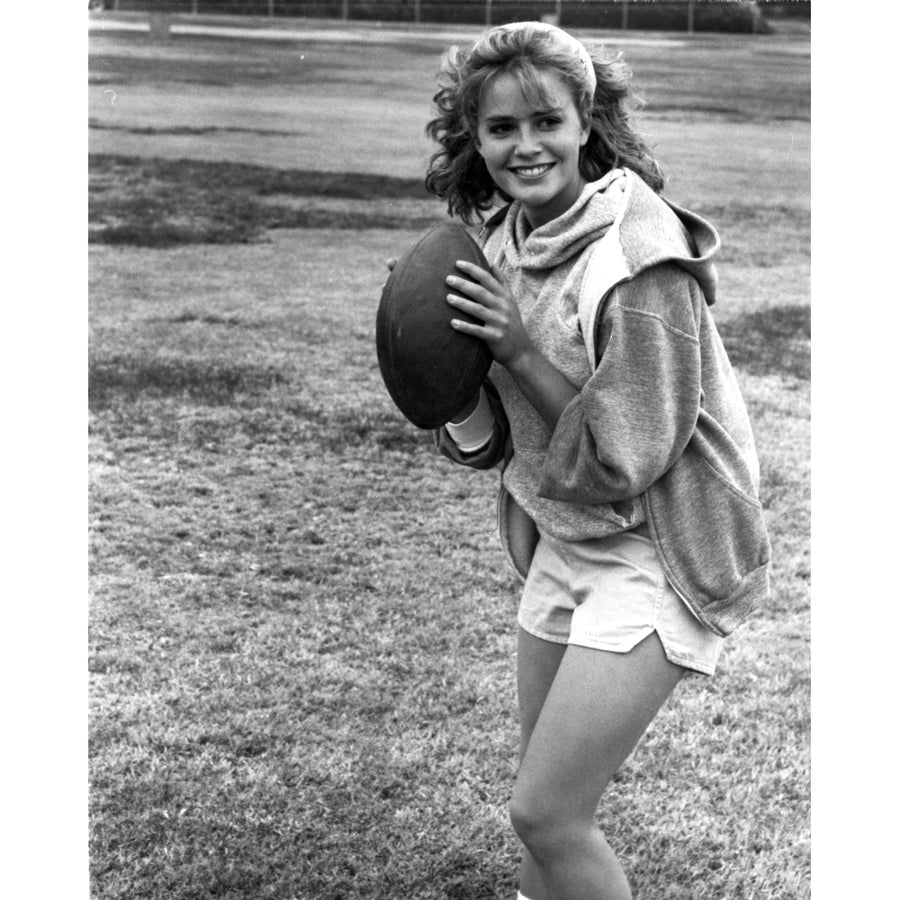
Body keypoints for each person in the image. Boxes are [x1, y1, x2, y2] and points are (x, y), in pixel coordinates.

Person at [413, 21, 770, 900]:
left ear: (587, 123)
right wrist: (441, 376)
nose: (525, 145)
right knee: (541, 809)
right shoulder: (500, 241)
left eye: (547, 121)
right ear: (477, 138)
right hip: (570, 541)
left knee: (547, 814)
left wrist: (517, 348)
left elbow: (627, 456)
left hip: (661, 548)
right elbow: (494, 432)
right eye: (501, 129)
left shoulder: (640, 260)